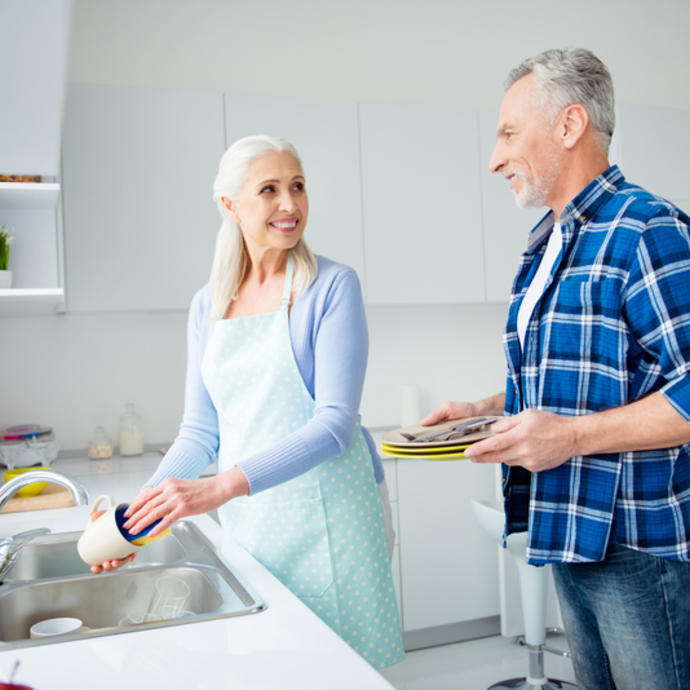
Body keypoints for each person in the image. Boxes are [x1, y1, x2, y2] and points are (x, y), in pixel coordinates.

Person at [423, 48, 690, 689]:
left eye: (509, 134)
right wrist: (488, 409)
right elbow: (586, 374)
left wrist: (568, 438)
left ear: (569, 127)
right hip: (568, 528)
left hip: (637, 547)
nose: (494, 158)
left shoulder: (648, 230)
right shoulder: (549, 242)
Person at [93, 134, 405, 669]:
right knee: (269, 668)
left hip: (330, 527)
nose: (290, 204)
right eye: (269, 190)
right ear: (230, 205)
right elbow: (199, 432)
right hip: (252, 529)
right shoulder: (207, 305)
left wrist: (220, 487)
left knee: (342, 673)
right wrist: (138, 519)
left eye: (298, 187)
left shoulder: (331, 287)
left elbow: (334, 425)